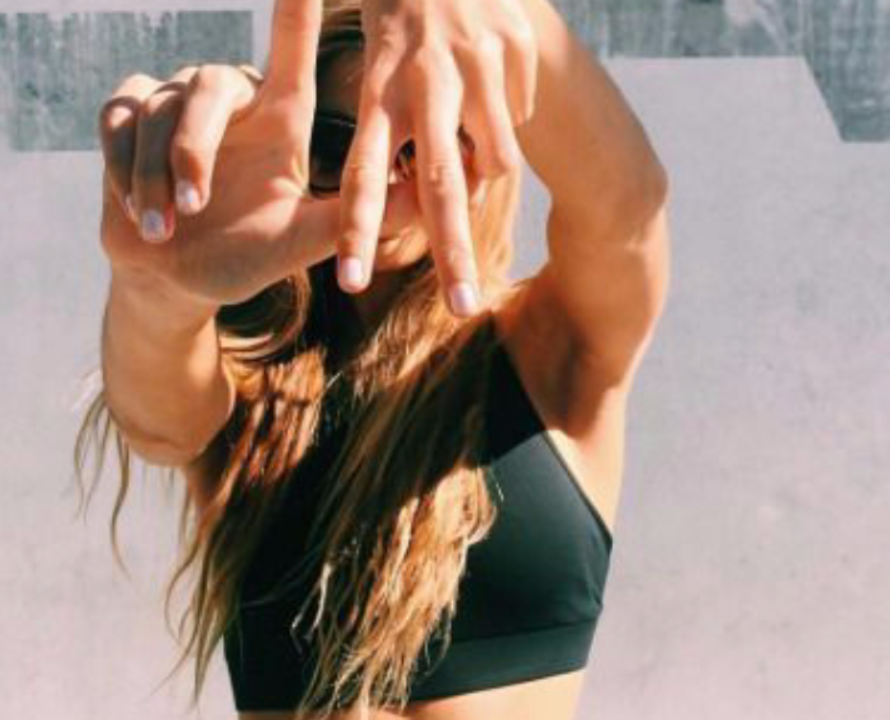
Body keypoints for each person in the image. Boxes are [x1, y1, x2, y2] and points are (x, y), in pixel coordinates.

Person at [74, 0, 670, 718]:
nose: (376, 182)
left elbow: (627, 206)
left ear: (485, 150)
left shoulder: (552, 354)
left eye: (422, 141)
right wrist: (156, 282)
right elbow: (154, 418)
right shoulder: (255, 395)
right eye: (338, 147)